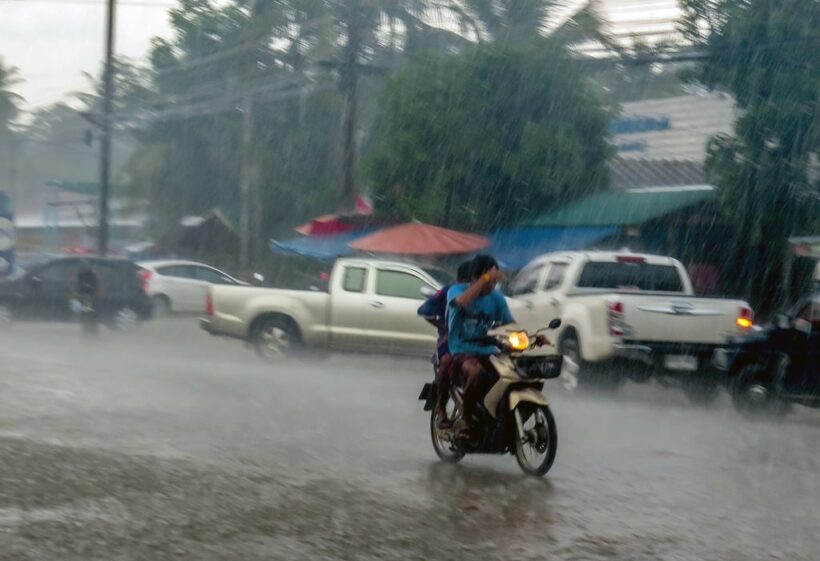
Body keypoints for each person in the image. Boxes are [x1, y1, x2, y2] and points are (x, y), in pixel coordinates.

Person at [447, 255, 515, 436]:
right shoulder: (456, 291)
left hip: (488, 350)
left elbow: (509, 324)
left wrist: (530, 338)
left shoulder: (497, 298)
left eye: (494, 281)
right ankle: (466, 418)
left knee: (514, 372)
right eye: (487, 281)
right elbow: (461, 302)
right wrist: (484, 278)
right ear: (475, 277)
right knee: (477, 372)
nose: (491, 286)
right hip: (461, 350)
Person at [417, 261, 472, 428]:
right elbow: (424, 311)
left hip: (476, 342)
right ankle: (441, 409)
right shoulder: (447, 292)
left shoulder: (484, 295)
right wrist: (444, 327)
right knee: (447, 361)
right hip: (449, 342)